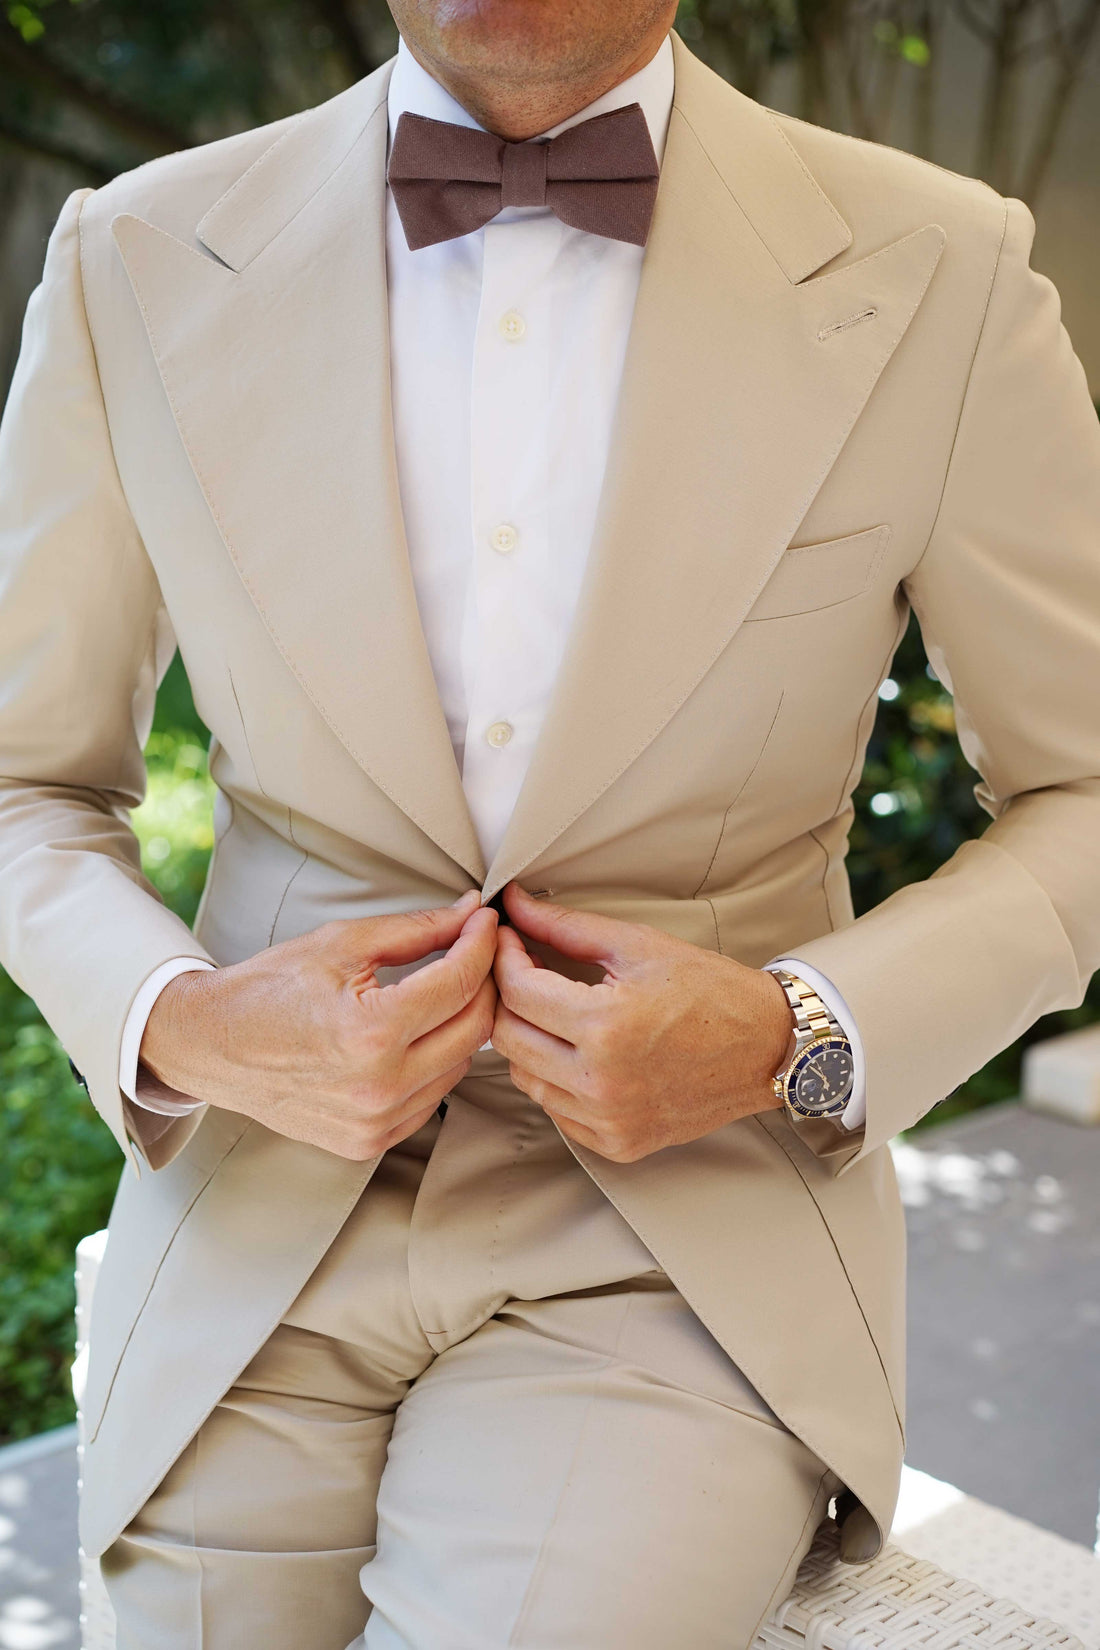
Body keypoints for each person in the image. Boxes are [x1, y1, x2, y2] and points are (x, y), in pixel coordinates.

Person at [1, 0, 1098, 1643]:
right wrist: (191, 1027)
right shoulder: (131, 256)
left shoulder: (946, 269)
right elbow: (24, 776)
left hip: (682, 1228)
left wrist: (797, 1032)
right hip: (259, 1205)